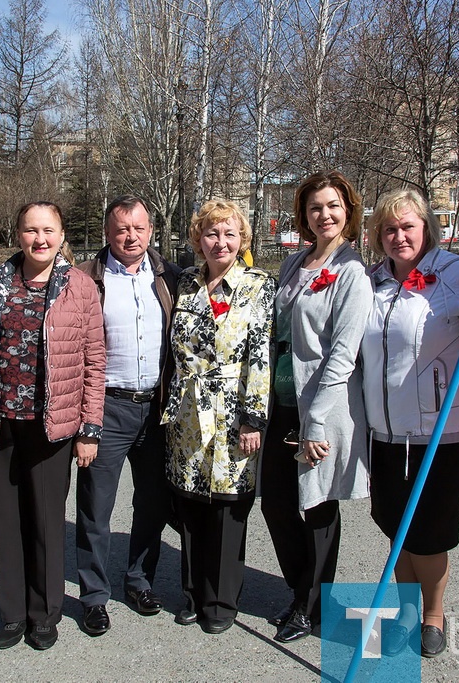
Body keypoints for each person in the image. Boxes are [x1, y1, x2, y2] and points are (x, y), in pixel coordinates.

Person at [362, 189, 459, 658]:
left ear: (427, 227)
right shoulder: (371, 281)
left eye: (408, 226)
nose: (398, 236)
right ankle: (408, 609)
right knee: (396, 526)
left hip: (437, 433)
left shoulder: (455, 274)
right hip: (385, 429)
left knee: (428, 532)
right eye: (389, 229)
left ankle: (434, 613)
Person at [0, 201, 106, 652]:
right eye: (31, 230)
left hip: (54, 423)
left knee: (47, 522)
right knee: (7, 520)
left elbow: (94, 360)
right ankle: (12, 612)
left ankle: (44, 612)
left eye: (48, 230)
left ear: (62, 235)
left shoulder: (80, 287)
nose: (40, 238)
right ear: (18, 234)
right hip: (3, 420)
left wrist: (90, 428)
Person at [259, 170, 372, 644]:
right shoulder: (295, 263)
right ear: (303, 216)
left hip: (320, 409)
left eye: (332, 206)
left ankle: (311, 607)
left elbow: (343, 355)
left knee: (319, 506)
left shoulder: (352, 273)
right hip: (282, 403)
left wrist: (317, 421)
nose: (324, 215)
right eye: (314, 208)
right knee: (277, 503)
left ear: (348, 210)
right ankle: (300, 589)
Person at [161, 199, 275, 635]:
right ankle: (191, 594)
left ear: (242, 239)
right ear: (198, 239)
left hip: (233, 414)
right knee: (191, 505)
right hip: (188, 414)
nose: (220, 242)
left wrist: (254, 419)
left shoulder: (258, 286)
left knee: (228, 508)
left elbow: (260, 357)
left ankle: (221, 601)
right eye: (211, 233)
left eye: (229, 234)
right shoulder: (186, 281)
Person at [75, 195, 180, 635]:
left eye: (138, 227)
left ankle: (139, 580)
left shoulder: (171, 277)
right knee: (95, 508)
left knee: (151, 504)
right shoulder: (84, 279)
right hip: (106, 406)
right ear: (107, 232)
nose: (130, 236)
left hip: (155, 407)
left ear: (151, 229)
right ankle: (94, 597)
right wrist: (84, 420)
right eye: (121, 228)